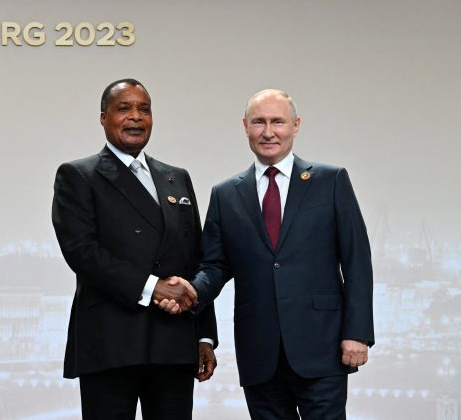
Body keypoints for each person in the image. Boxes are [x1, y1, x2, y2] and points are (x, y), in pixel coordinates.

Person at [161, 89, 374, 419]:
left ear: (296, 125)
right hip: (259, 352)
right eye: (259, 122)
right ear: (245, 126)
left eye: (278, 121)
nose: (269, 131)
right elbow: (215, 265)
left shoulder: (331, 181)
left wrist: (357, 333)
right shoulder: (225, 194)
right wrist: (192, 291)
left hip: (323, 346)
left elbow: (357, 261)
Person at [51, 78, 218, 420]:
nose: (135, 117)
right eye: (123, 108)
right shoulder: (78, 176)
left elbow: (194, 258)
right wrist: (152, 287)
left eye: (144, 109)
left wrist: (204, 337)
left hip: (173, 341)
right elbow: (82, 252)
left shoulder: (176, 177)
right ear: (103, 118)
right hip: (111, 342)